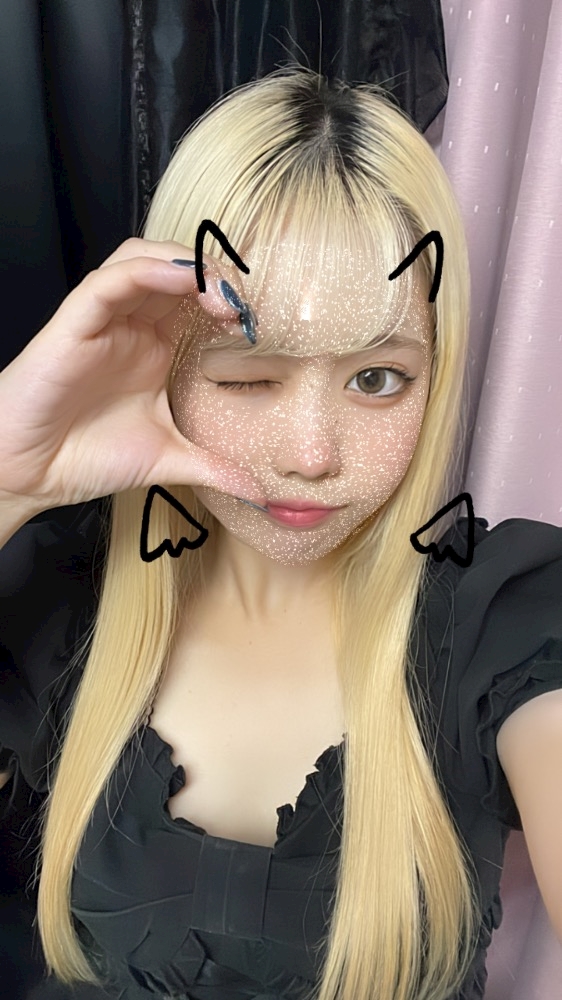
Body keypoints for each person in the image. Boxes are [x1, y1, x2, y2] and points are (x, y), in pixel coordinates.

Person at [0, 66, 561, 1000]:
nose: (310, 457)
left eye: (376, 380)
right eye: (247, 377)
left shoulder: (503, 619)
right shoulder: (64, 599)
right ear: (166, 363)